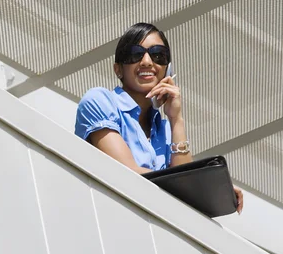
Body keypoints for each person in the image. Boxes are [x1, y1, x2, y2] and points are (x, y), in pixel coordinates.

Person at [75, 23, 243, 214]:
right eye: (135, 54)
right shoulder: (99, 100)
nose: (147, 61)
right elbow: (128, 172)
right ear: (118, 69)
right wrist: (203, 189)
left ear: (167, 70)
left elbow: (186, 191)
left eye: (158, 55)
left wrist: (176, 119)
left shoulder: (165, 130)